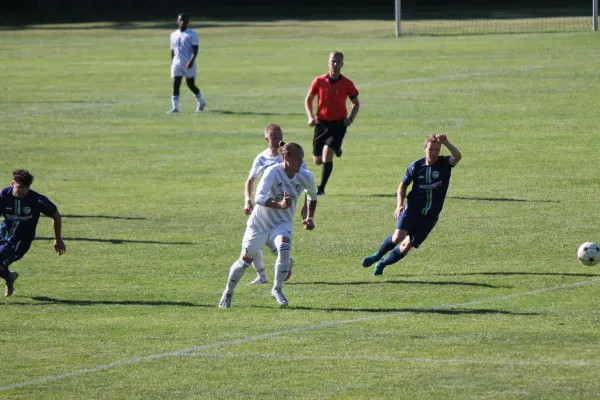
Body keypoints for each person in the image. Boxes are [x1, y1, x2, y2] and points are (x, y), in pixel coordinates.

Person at [220, 142, 317, 308]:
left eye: (302, 158)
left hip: (282, 223)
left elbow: (312, 196)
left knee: (284, 250)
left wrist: (310, 217)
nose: (301, 161)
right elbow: (258, 197)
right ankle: (228, 292)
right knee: (245, 261)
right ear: (286, 157)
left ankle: (277, 289)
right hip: (259, 224)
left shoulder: (305, 176)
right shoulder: (273, 171)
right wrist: (279, 204)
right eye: (297, 158)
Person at [361, 135, 462, 276]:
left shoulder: (444, 164)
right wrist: (399, 205)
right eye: (431, 149)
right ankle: (377, 255)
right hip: (412, 209)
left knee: (407, 245)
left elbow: (458, 156)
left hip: (430, 215)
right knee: (397, 237)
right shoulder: (415, 166)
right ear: (425, 148)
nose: (434, 152)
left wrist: (447, 143)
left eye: (437, 149)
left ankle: (382, 264)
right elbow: (402, 186)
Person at [244, 124, 301, 285]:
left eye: (280, 137)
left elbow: (302, 178)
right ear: (266, 139)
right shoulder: (261, 158)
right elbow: (250, 180)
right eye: (274, 138)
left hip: (282, 208)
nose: (278, 141)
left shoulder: (288, 156)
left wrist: (306, 203)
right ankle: (262, 276)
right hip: (263, 206)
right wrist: (247, 200)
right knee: (253, 241)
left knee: (269, 240)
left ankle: (283, 262)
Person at [0, 170, 66, 297]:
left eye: (26, 188)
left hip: (20, 242)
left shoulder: (36, 200)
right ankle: (9, 277)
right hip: (2, 235)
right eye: (20, 187)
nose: (23, 191)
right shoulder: (3, 196)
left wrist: (57, 239)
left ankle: (8, 276)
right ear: (12, 183)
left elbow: (56, 216)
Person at [304, 51, 360, 195]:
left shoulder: (347, 83)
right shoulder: (319, 81)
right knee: (317, 160)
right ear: (328, 63)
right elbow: (308, 99)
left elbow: (355, 103)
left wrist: (350, 119)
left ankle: (321, 188)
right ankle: (337, 148)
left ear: (342, 64)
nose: (335, 64)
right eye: (333, 61)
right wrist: (310, 117)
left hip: (338, 124)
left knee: (327, 153)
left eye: (338, 62)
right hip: (321, 124)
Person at [167, 12, 207, 114]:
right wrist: (172, 62)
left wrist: (191, 61)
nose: (182, 22)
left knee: (191, 85)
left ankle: (201, 101)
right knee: (176, 84)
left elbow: (195, 50)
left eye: (185, 20)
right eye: (181, 20)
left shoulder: (192, 34)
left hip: (188, 63)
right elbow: (172, 50)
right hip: (177, 63)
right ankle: (175, 108)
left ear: (188, 22)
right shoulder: (173, 35)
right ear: (177, 21)